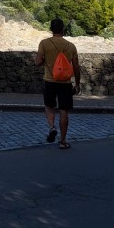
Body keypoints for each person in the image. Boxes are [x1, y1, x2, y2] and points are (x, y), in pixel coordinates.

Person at [34, 17, 81, 150]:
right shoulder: (71, 46)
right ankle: (63, 141)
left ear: (51, 29)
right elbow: (76, 67)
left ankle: (52, 127)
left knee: (49, 106)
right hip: (65, 82)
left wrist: (45, 62)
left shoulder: (44, 43)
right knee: (64, 110)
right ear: (63, 29)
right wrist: (77, 84)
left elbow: (37, 62)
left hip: (50, 80)